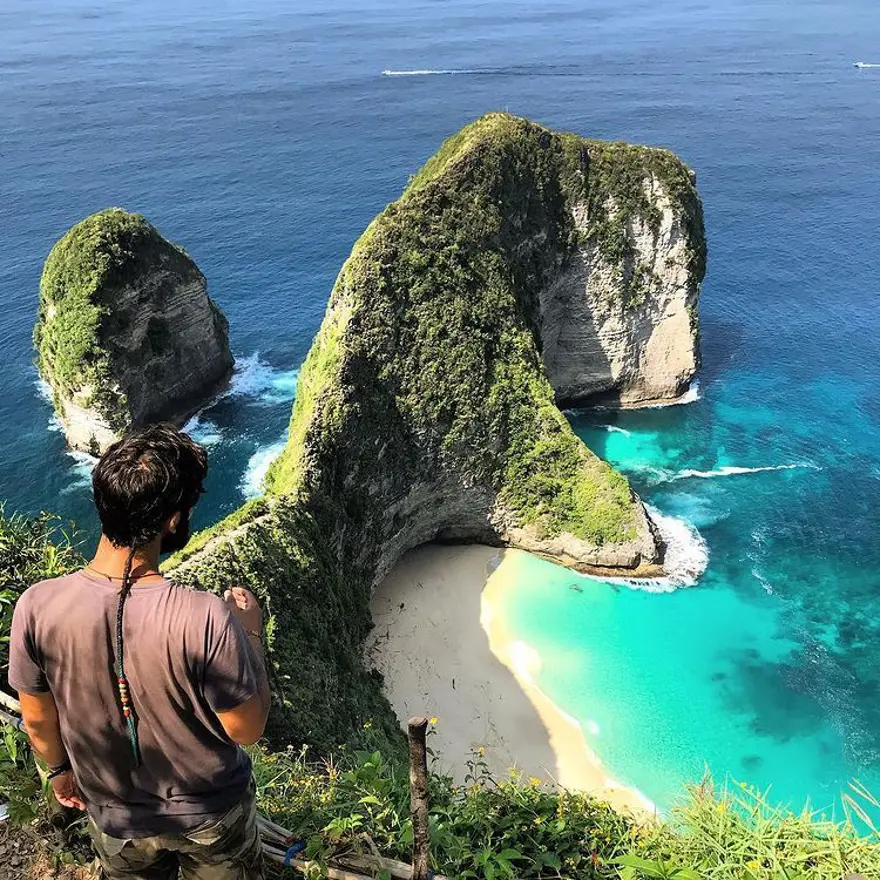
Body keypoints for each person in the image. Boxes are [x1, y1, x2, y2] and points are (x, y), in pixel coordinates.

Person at [9, 424, 270, 879]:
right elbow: (246, 728)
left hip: (116, 818)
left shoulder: (35, 605)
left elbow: (36, 719)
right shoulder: (206, 616)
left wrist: (58, 771)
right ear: (173, 519)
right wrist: (251, 634)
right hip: (210, 816)